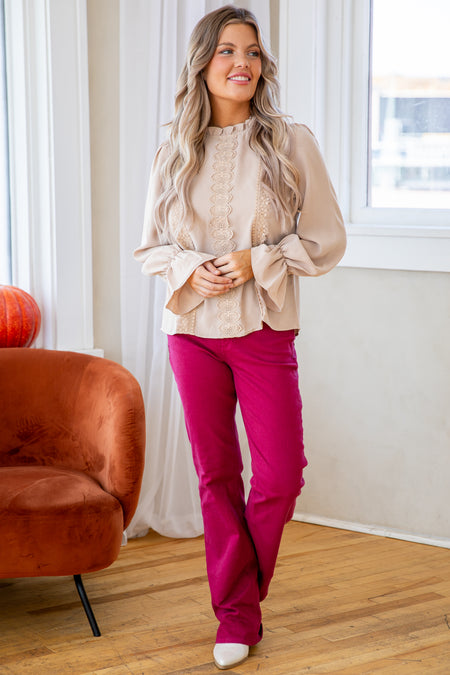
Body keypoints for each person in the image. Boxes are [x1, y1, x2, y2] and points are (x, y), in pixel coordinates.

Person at [134, 5, 346, 670]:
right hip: (191, 334)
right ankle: (236, 614)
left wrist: (261, 259)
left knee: (281, 475)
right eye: (227, 51)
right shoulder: (173, 148)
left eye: (252, 52)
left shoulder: (290, 142)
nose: (242, 63)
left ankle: (240, 601)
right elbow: (150, 250)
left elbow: (327, 238)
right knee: (216, 476)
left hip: (263, 330)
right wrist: (193, 268)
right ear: (203, 64)